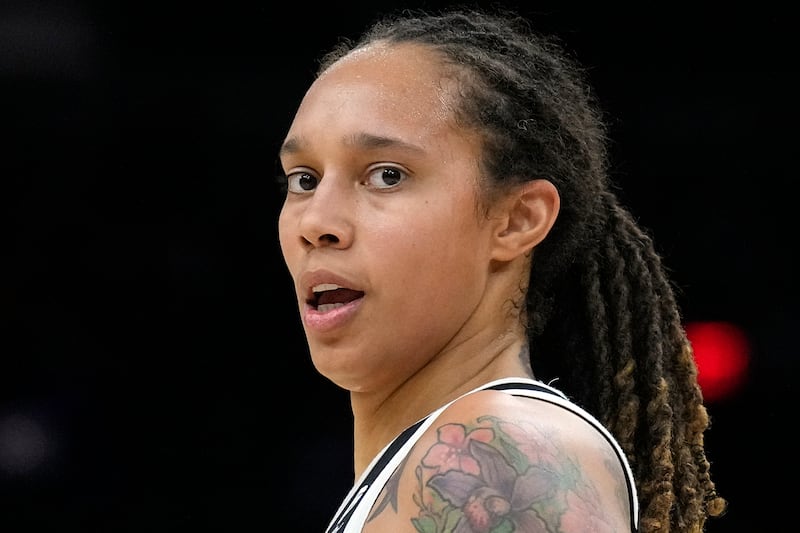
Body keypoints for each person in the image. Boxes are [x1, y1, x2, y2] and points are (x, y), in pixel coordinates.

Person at [276, 6, 727, 532]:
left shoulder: (499, 451)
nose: (317, 221)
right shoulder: (431, 458)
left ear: (516, 220)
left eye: (387, 175)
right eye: (303, 179)